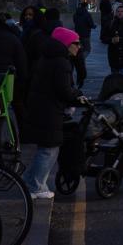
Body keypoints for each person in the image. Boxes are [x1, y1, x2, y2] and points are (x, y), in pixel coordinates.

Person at [22, 27, 85, 200]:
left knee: (45, 148)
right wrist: (78, 96)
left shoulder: (48, 58)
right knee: (49, 149)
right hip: (49, 110)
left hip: (41, 107)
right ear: (67, 44)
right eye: (76, 43)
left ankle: (28, 180)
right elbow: (64, 90)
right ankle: (36, 186)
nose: (79, 47)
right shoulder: (62, 62)